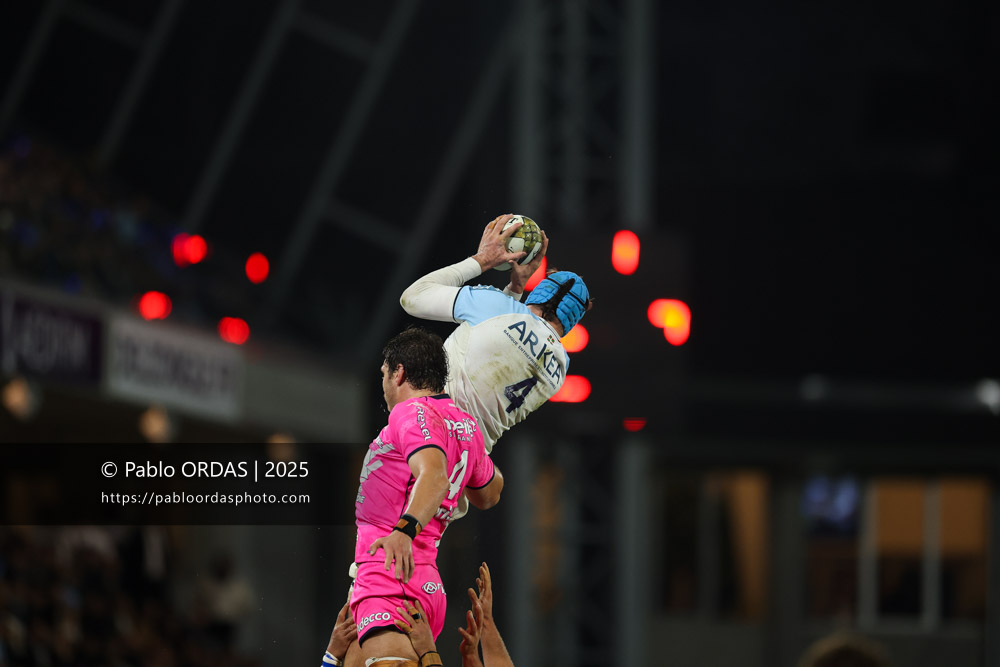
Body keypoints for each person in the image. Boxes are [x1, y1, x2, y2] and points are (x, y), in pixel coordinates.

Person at [342, 328, 504, 667]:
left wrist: (404, 530)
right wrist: (476, 452)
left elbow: (435, 476)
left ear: (399, 372)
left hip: (391, 576)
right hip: (420, 580)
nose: (384, 384)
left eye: (384, 374)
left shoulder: (409, 412)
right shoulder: (465, 425)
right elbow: (489, 494)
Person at [400, 214, 592, 455]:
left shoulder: (494, 305)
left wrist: (482, 260)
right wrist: (515, 289)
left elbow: (413, 298)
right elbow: (508, 339)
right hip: (467, 465)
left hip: (425, 438)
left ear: (541, 290)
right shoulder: (560, 368)